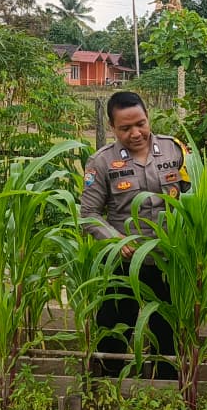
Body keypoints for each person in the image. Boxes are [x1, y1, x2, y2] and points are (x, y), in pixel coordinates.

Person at [79, 91, 190, 378]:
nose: (136, 133)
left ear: (148, 117)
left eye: (140, 123)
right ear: (112, 127)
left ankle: (166, 387)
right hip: (125, 261)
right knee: (114, 327)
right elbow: (89, 215)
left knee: (167, 331)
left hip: (168, 260)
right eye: (125, 128)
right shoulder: (101, 162)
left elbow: (194, 197)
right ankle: (106, 386)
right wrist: (116, 240)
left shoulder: (174, 150)